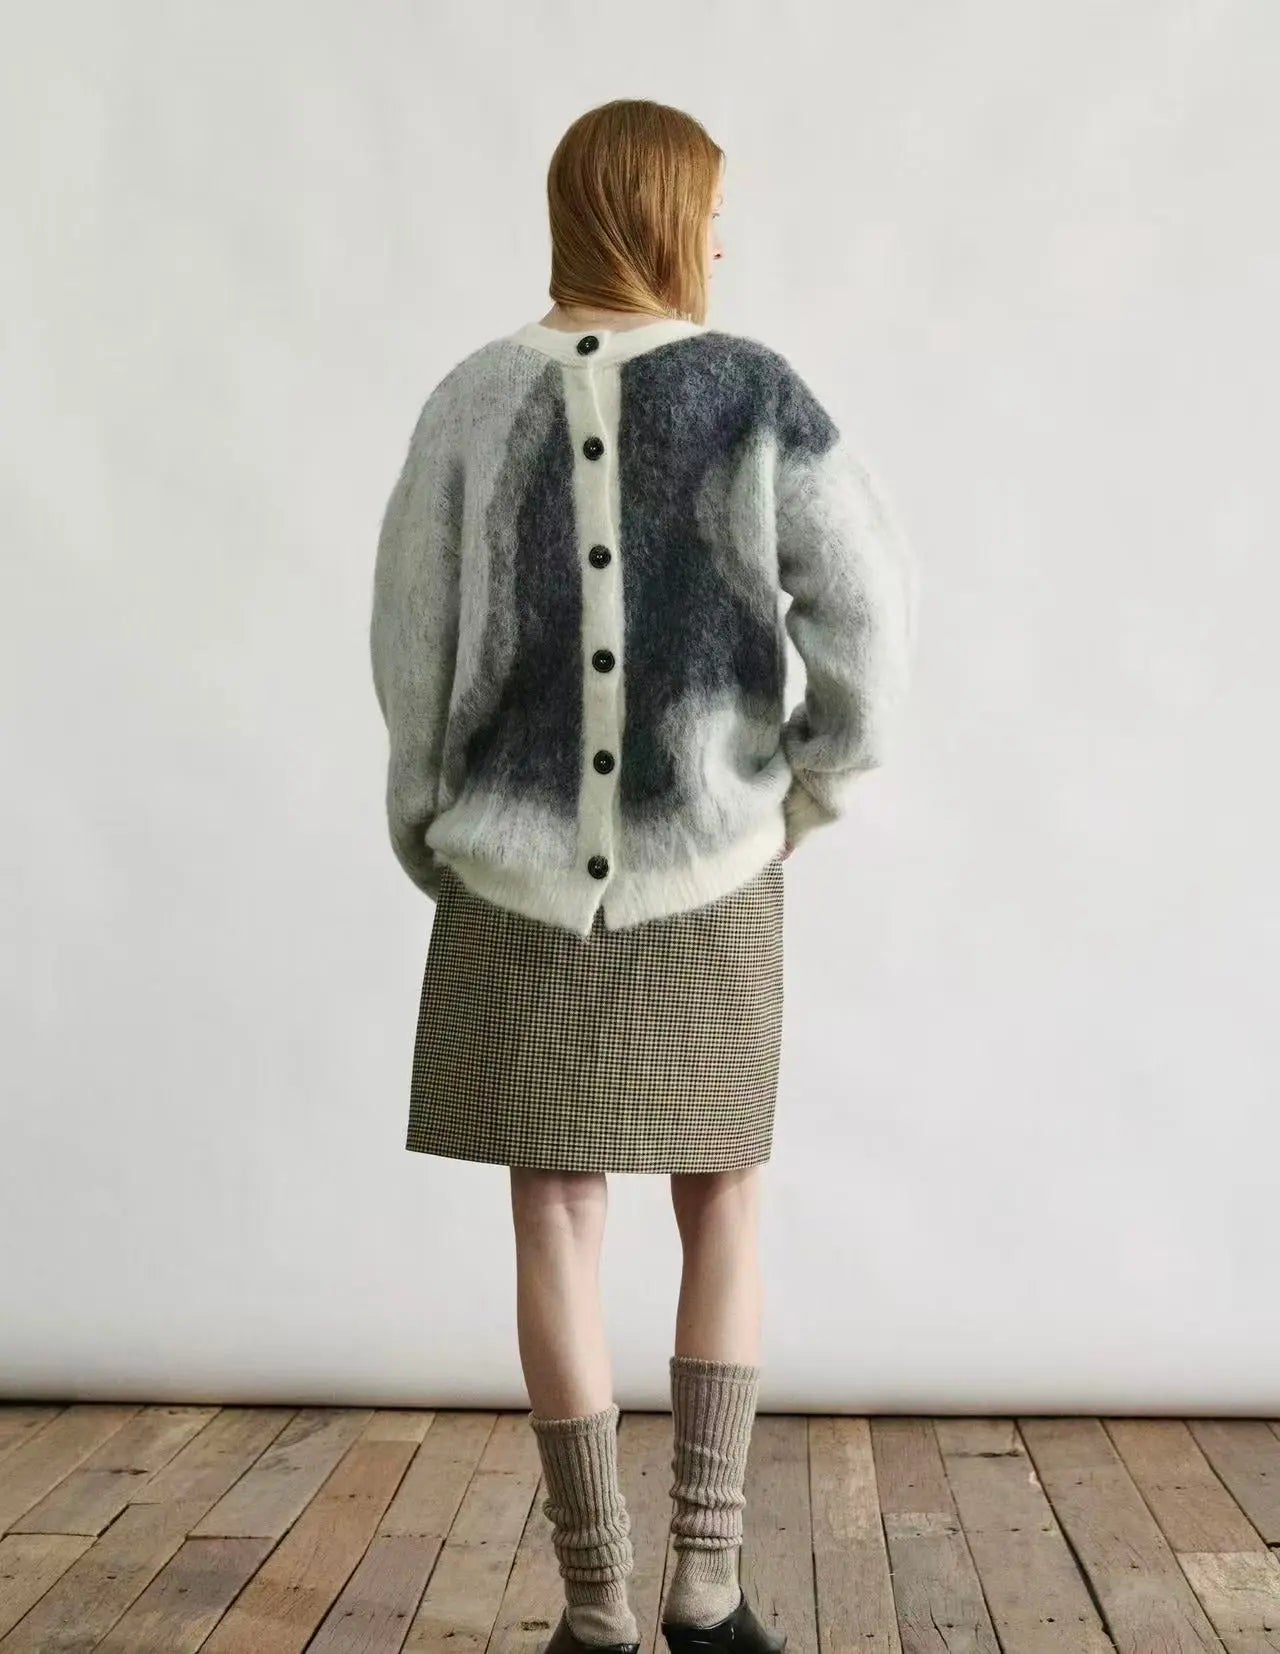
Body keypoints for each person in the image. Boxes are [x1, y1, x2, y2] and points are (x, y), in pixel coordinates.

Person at [369, 98, 917, 1654]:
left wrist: (427, 817)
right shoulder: (757, 396)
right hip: (713, 870)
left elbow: (413, 644)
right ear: (664, 213)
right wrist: (802, 793)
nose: (723, 240)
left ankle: (598, 1604)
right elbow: (872, 617)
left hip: (510, 874)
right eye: (714, 211)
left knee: (555, 1213)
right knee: (725, 1196)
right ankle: (709, 1587)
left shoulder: (471, 400)